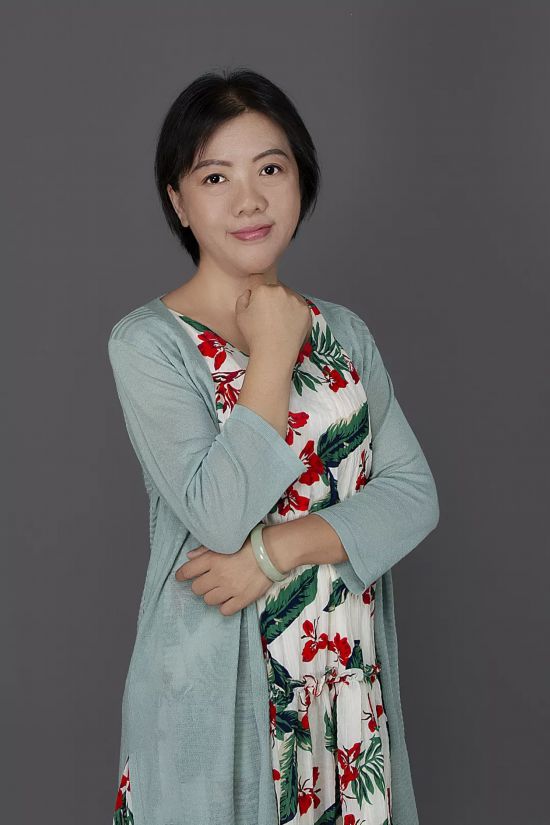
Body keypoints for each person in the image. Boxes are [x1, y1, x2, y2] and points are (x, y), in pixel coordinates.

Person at [109, 67, 439, 825]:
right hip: (219, 700)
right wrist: (274, 350)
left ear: (301, 179)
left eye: (270, 168)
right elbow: (219, 515)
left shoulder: (345, 332)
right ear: (178, 201)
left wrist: (274, 552)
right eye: (215, 176)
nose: (249, 199)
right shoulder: (147, 343)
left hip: (342, 689)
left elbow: (413, 495)